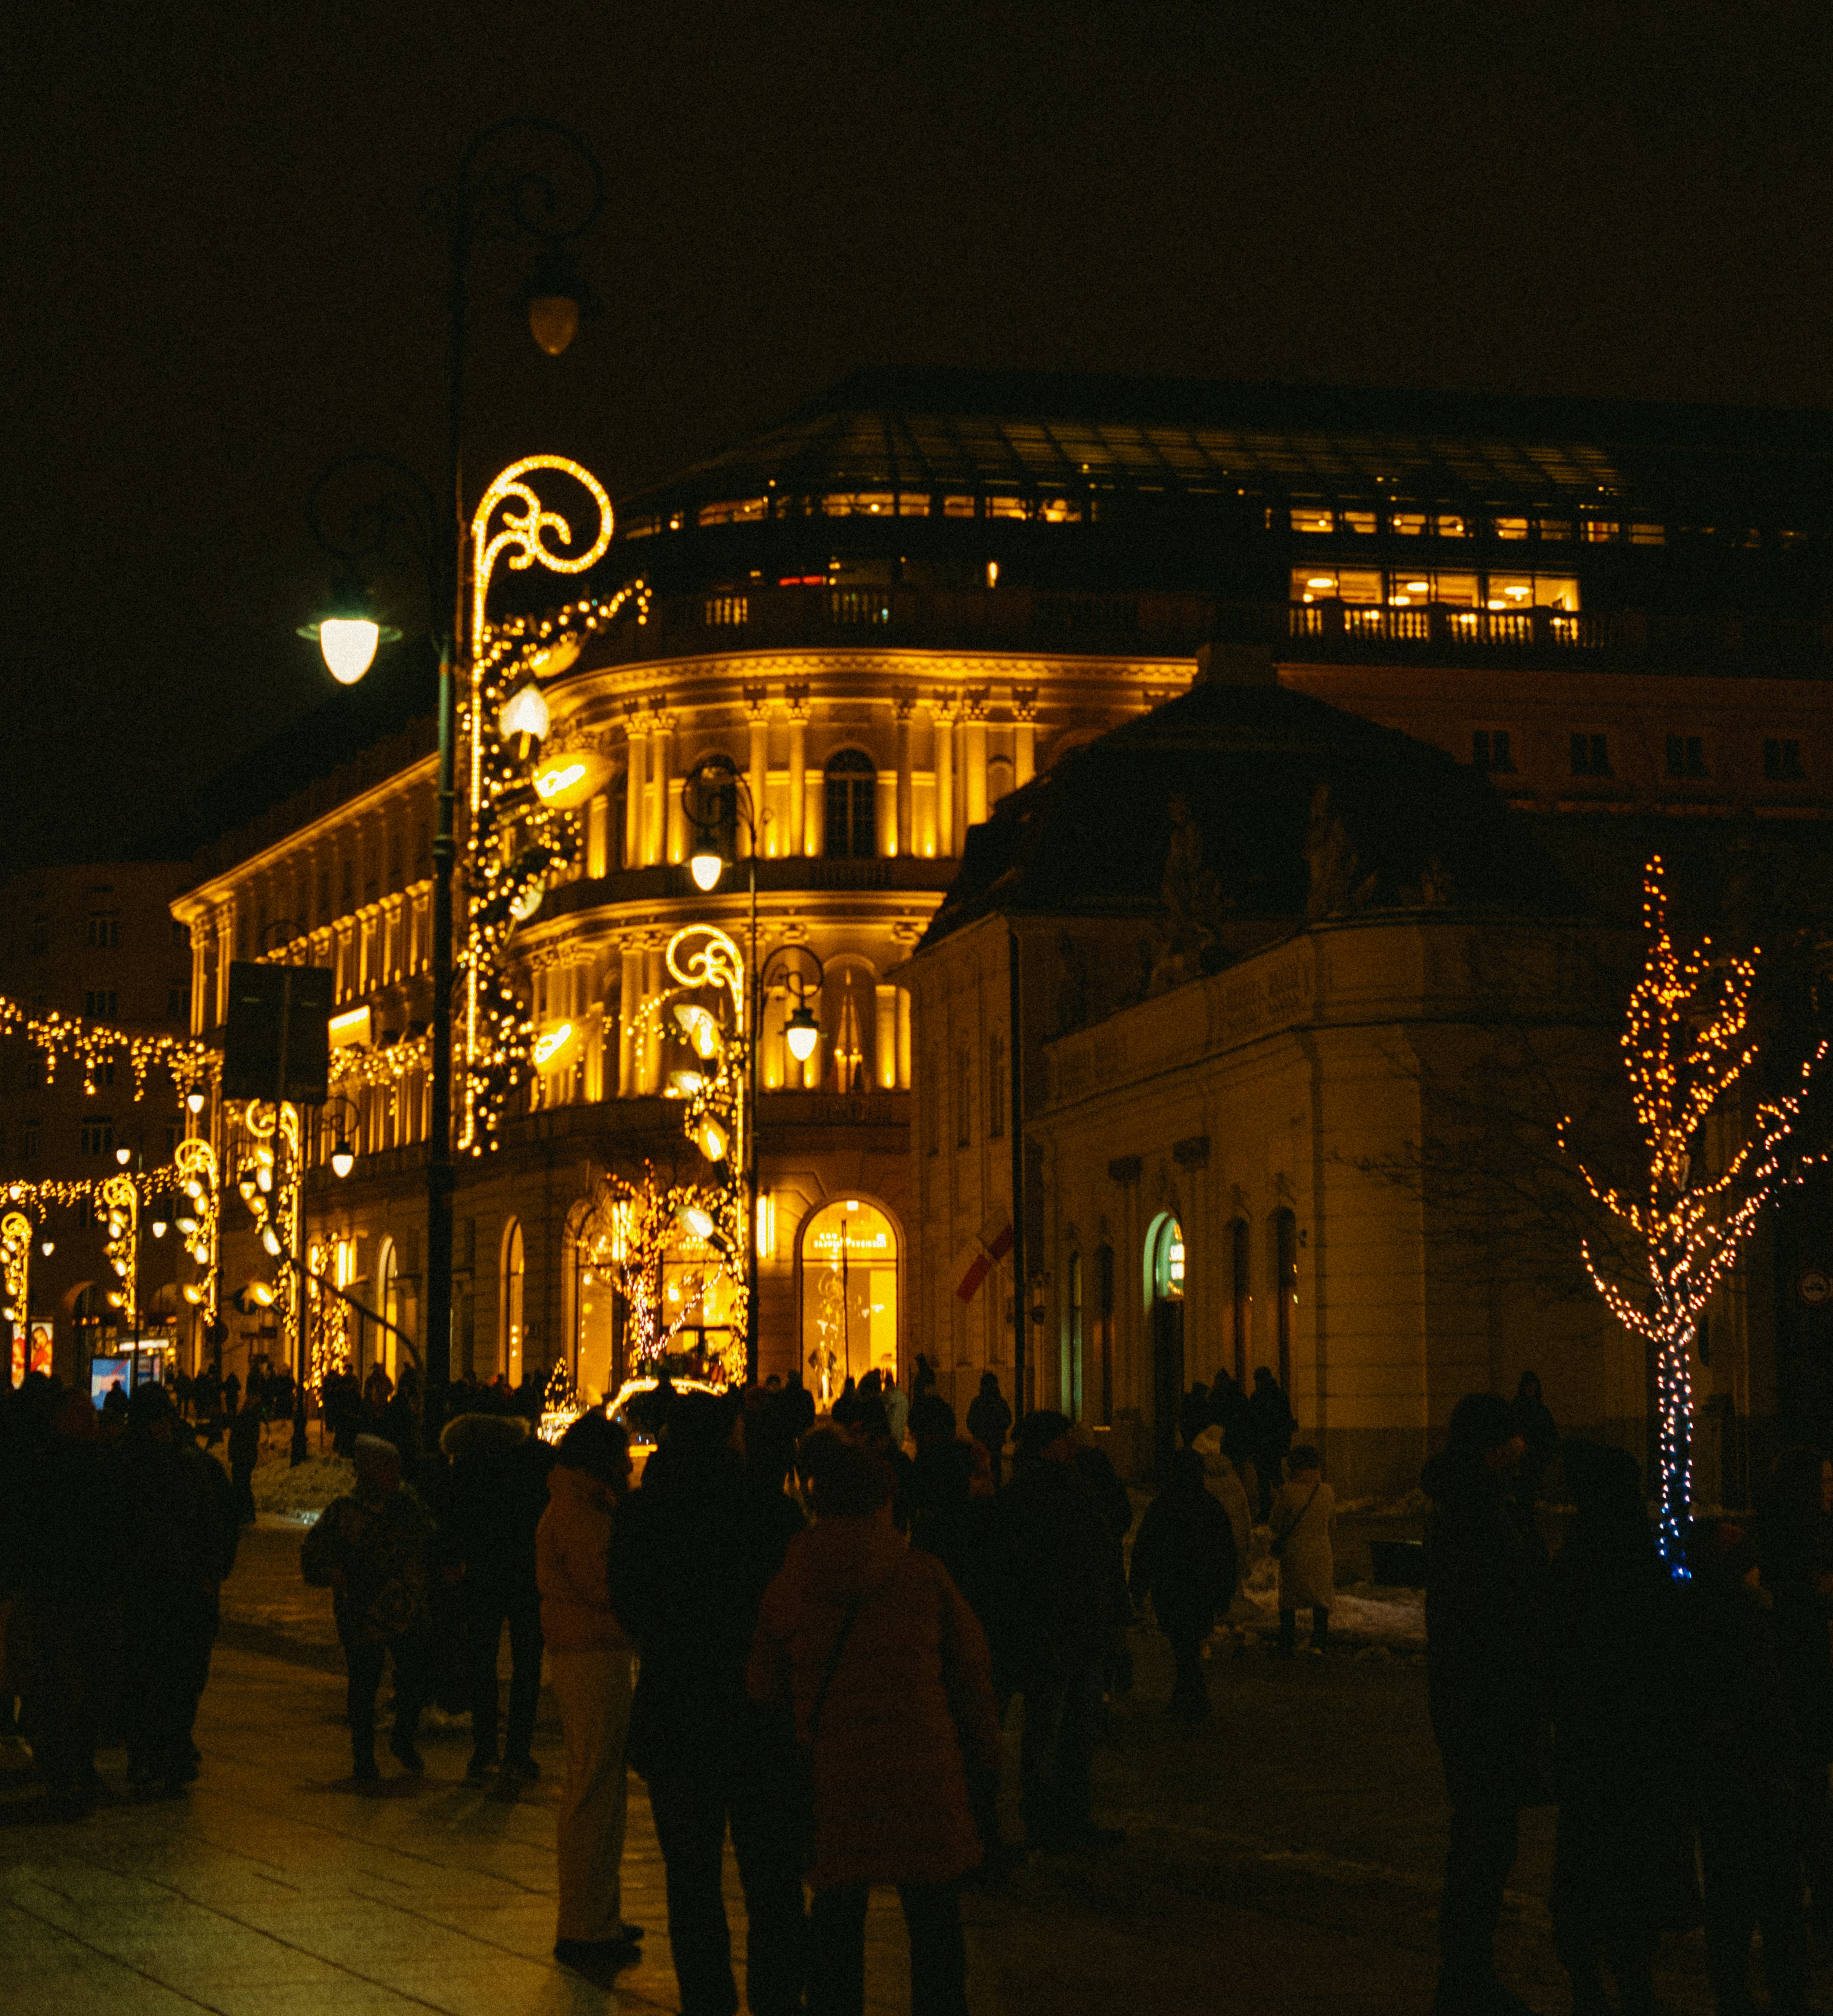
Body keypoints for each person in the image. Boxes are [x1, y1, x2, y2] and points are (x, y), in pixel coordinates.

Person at [749, 1430, 1001, 2016]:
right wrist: (984, 1757)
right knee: (935, 1923)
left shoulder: (792, 1579)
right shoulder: (922, 1574)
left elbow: (762, 1684)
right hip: (925, 1775)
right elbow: (972, 1674)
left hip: (836, 1774)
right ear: (884, 1502)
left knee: (838, 1919)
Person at [610, 1392, 807, 2015]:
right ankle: (776, 1998)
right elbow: (794, 1612)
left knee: (691, 1882)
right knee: (771, 1880)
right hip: (758, 1715)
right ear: (730, 1439)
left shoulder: (644, 1513)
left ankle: (708, 2000)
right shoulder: (768, 1511)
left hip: (677, 1711)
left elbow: (629, 1605)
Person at [1542, 1444, 1691, 2016]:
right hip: (1636, 1738)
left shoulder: (1577, 1558)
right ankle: (1627, 1977)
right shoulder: (1632, 1556)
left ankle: (1594, 1974)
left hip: (1593, 1738)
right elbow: (1663, 1647)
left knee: (1588, 1858)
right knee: (1630, 1862)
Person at [1421, 1392, 1548, 2016]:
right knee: (1483, 1839)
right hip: (1485, 1699)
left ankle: (1466, 1971)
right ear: (1492, 1446)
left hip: (1477, 1695)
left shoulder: (1475, 1505)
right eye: (1513, 1441)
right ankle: (1465, 1976)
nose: (1522, 1451)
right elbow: (1498, 1608)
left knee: (1483, 1837)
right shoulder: (1476, 1514)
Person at [1687, 1518, 1810, 2016]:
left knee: (1727, 1891)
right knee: (1779, 1893)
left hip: (1720, 1778)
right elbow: (1765, 1703)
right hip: (1758, 1775)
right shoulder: (1747, 1617)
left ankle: (1731, 1988)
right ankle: (1786, 1991)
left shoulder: (1696, 1613)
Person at [538, 1412, 643, 1974]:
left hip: (594, 1648)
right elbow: (606, 1582)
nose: (629, 1464)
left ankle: (598, 1913)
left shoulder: (585, 1505)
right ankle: (585, 1922)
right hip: (590, 1651)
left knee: (598, 1787)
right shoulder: (580, 1512)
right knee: (592, 1786)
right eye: (621, 1454)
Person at [998, 1409, 1122, 1852]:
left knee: (1075, 1728)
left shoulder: (1071, 1486)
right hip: (1056, 1631)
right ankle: (1048, 1817)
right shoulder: (1034, 1493)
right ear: (1048, 1445)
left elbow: (1102, 1554)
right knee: (1052, 1728)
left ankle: (1067, 1815)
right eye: (1065, 1438)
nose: (1073, 1445)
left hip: (1078, 1628)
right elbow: (1023, 1569)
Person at [301, 1433, 437, 1783]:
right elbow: (313, 1555)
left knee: (415, 1677)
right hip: (363, 1613)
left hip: (406, 1609)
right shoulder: (345, 1512)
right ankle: (364, 1757)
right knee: (364, 1684)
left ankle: (402, 1738)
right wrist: (331, 1573)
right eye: (386, 1467)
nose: (394, 1474)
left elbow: (431, 1544)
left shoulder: (408, 1507)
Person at [119, 1383, 227, 1796]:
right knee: (154, 1674)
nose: (162, 1427)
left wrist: (209, 1573)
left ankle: (169, 1747)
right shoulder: (138, 1466)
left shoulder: (185, 1466)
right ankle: (153, 1751)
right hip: (152, 1587)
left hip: (176, 1587)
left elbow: (211, 1523)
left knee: (176, 1673)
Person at [437, 1407, 552, 1787]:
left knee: (482, 1662)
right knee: (527, 1666)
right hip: (526, 1571)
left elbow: (453, 1518)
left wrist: (453, 1562)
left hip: (485, 1573)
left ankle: (485, 1747)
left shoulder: (468, 1466)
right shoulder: (534, 1459)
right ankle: (518, 1750)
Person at [1756, 1443, 1833, 1936]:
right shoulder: (1796, 1545)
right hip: (1801, 1687)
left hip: (1805, 1685)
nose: (1831, 1493)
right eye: (1824, 1484)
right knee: (1807, 1797)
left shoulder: (1803, 1540)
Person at [1129, 1448, 1237, 1719]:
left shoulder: (1164, 1505)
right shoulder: (1210, 1506)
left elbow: (1146, 1547)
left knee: (1182, 1641)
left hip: (1172, 1585)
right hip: (1203, 1586)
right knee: (1187, 1641)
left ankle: (1191, 1696)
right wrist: (1224, 1592)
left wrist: (1139, 1586)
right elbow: (1226, 1552)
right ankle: (1190, 1696)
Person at [1270, 1444, 1335, 1658]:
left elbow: (1275, 1523)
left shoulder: (1287, 1492)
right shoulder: (1327, 1491)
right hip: (1321, 1549)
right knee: (1321, 1596)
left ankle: (1287, 1639)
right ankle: (1319, 1641)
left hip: (1295, 1549)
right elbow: (1332, 1523)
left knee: (1289, 1595)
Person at [1187, 1410, 1252, 1569]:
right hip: (1234, 1544)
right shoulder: (1232, 1475)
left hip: (1207, 1549)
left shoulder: (1197, 1479)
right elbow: (1244, 1510)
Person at [1248, 1367, 1296, 1523]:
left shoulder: (1262, 1396)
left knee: (1270, 1479)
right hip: (1269, 1445)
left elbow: (1255, 1422)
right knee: (1271, 1478)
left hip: (1266, 1445)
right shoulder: (1278, 1395)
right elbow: (1286, 1421)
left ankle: (1275, 1509)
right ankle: (1280, 1507)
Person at [1512, 1371, 1559, 1511]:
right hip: (1520, 1458)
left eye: (1534, 1387)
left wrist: (1543, 1453)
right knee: (1521, 1491)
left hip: (1535, 1459)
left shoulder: (1541, 1410)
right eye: (1529, 1387)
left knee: (1529, 1492)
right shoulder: (1517, 1407)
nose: (1531, 1390)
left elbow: (1551, 1434)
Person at [965, 1372, 1012, 1491]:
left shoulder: (978, 1402)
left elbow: (970, 1421)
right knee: (996, 1467)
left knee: (981, 1467)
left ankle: (983, 1492)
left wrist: (977, 1433)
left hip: (981, 1440)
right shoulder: (1000, 1402)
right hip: (996, 1440)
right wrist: (999, 1429)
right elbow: (1008, 1419)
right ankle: (995, 1490)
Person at [227, 1388, 263, 1525]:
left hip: (243, 1455)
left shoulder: (247, 1417)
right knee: (242, 1484)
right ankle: (246, 1512)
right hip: (244, 1455)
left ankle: (245, 1513)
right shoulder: (250, 1417)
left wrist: (237, 1452)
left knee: (241, 1484)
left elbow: (242, 1436)